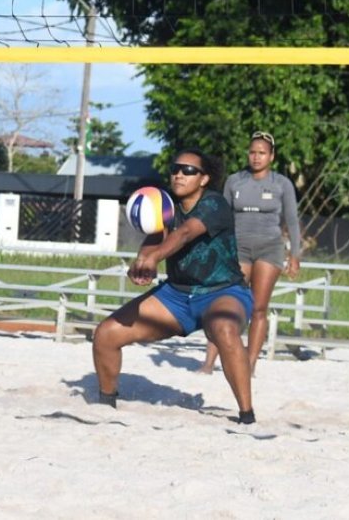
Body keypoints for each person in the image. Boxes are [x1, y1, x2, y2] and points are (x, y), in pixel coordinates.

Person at [92, 149, 256, 424]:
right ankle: (105, 406)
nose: (179, 174)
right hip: (176, 295)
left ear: (204, 179)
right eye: (175, 169)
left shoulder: (214, 203)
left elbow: (185, 233)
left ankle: (246, 416)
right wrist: (141, 263)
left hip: (223, 292)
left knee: (224, 329)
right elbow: (154, 239)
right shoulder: (165, 206)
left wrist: (155, 257)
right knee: (106, 334)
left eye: (188, 170)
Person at [198, 131, 302, 375]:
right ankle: (209, 362)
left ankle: (250, 364)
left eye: (262, 153)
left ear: (271, 156)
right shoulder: (235, 181)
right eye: (253, 152)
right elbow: (221, 215)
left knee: (258, 307)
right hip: (238, 248)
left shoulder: (282, 184)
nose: (256, 157)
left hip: (270, 248)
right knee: (224, 303)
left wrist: (295, 255)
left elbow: (292, 221)